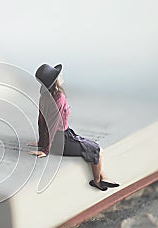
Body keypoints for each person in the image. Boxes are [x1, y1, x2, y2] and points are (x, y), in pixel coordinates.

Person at [28, 63, 119, 191]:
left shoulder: (44, 97)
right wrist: (46, 150)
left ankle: (104, 178)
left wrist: (41, 142)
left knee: (89, 147)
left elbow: (41, 121)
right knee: (98, 150)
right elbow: (53, 125)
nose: (61, 76)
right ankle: (97, 182)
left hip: (62, 136)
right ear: (54, 81)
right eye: (58, 75)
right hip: (61, 141)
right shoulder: (59, 97)